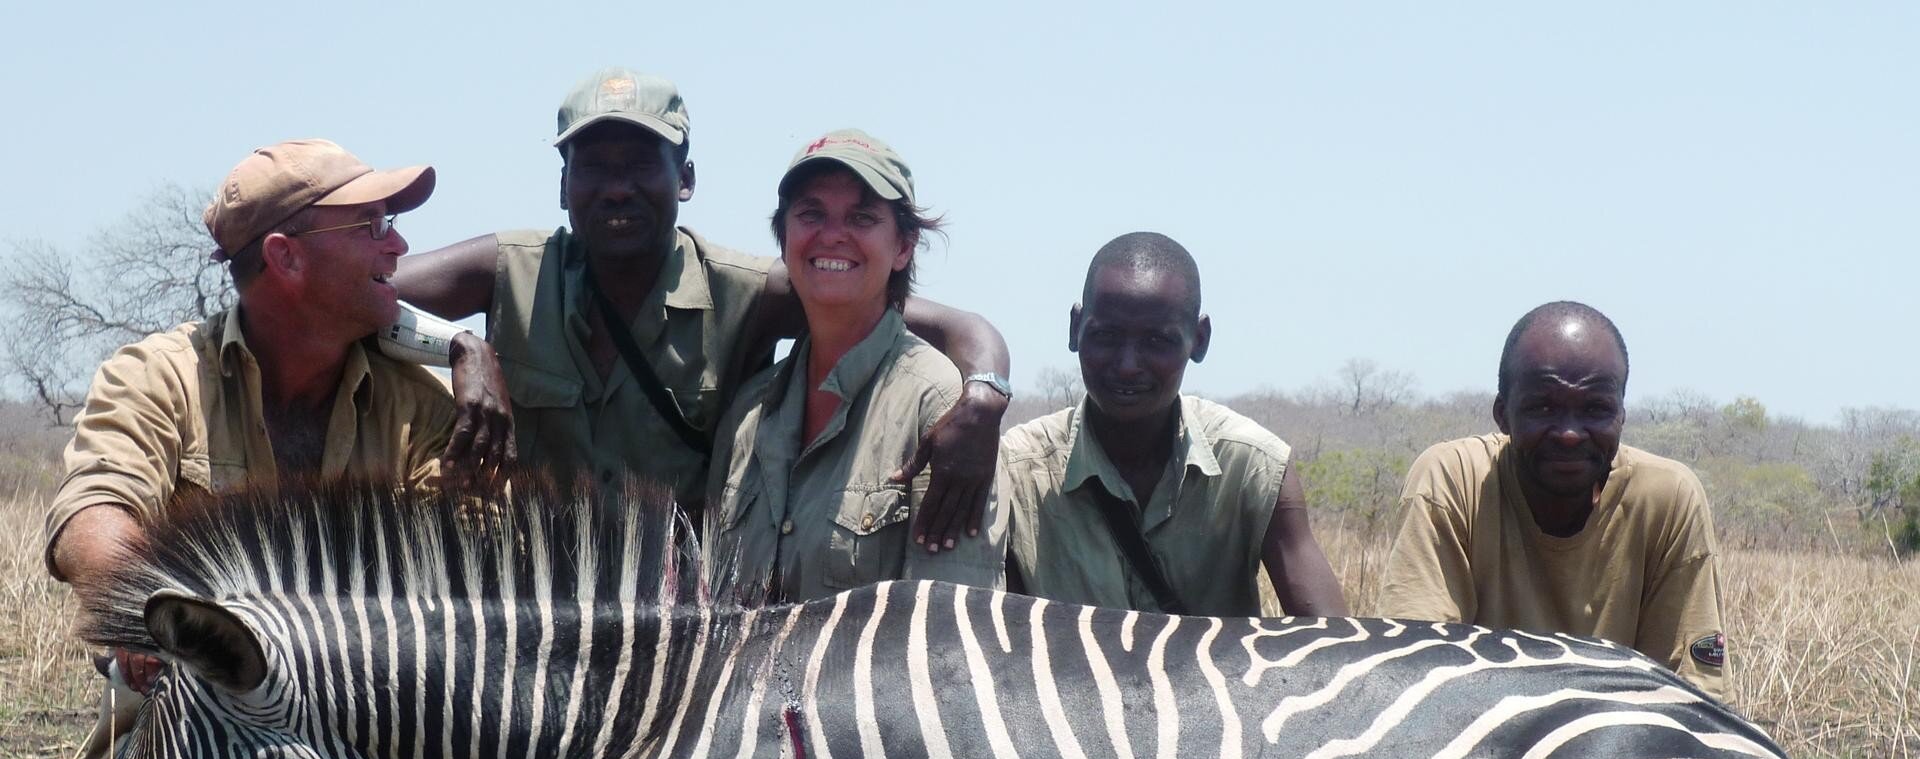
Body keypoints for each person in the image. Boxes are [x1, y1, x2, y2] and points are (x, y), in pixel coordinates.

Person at [44, 139, 527, 759]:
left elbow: (472, 585)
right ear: (286, 257)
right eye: (373, 228)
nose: (397, 250)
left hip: (364, 719)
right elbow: (91, 516)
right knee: (168, 747)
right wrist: (174, 632)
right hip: (213, 716)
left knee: (480, 729)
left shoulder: (416, 397)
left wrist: (471, 365)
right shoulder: (157, 376)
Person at [392, 69, 1010, 549]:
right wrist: (458, 346)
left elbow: (959, 327)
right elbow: (351, 293)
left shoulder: (742, 291)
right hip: (529, 620)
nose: (616, 186)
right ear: (562, 185)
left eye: (640, 164)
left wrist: (982, 400)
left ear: (685, 178)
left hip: (680, 642)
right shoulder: (507, 272)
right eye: (594, 167)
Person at [703, 130, 1007, 601]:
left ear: (903, 247)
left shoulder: (944, 410)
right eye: (811, 214)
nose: (832, 235)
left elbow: (950, 639)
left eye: (862, 217)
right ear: (783, 239)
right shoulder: (749, 412)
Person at [1375, 301, 1726, 698]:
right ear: (1503, 414)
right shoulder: (1453, 479)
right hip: (1476, 737)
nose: (1570, 434)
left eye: (1595, 408)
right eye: (1543, 407)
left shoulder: (1667, 499)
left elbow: (1693, 696)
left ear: (1621, 416)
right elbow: (1415, 670)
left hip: (1621, 744)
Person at [1001, 233, 1347, 618]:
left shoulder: (1252, 467)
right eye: (1106, 336)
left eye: (1157, 340)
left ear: (1199, 341)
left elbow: (1332, 643)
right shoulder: (1016, 472)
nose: (1128, 364)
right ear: (1075, 328)